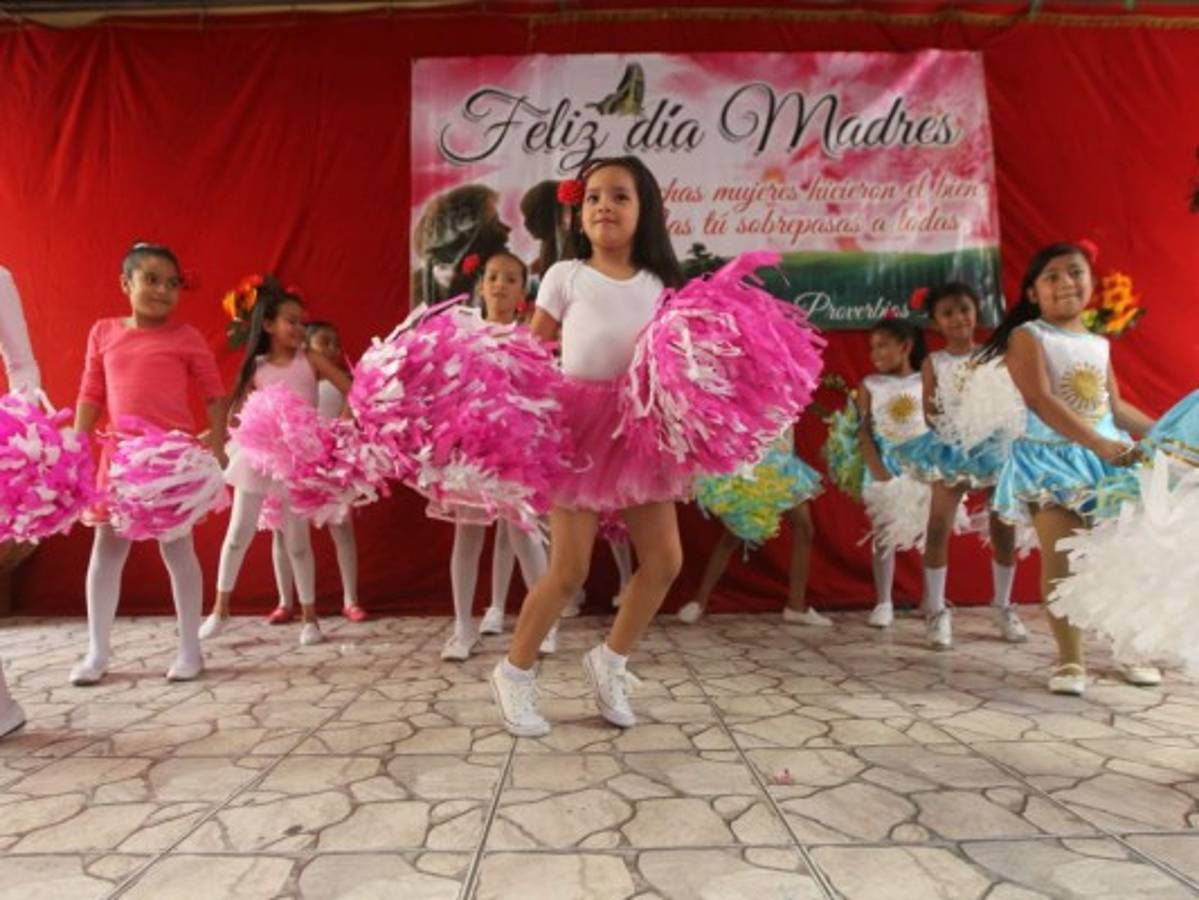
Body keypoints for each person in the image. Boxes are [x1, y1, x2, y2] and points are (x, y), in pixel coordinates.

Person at [490, 157, 688, 737]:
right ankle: (513, 672)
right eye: (594, 196)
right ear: (578, 213)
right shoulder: (565, 275)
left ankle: (610, 661)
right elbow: (532, 353)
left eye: (620, 196)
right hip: (576, 429)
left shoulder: (659, 284)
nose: (605, 206)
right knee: (569, 570)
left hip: (638, 428)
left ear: (644, 210)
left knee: (665, 561)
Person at [985, 242, 1159, 695]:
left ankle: (1130, 649)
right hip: (1050, 461)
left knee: (1123, 558)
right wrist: (1097, 442)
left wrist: (1164, 432)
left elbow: (1114, 408)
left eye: (1075, 272)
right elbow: (1041, 400)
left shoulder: (1098, 343)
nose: (1066, 282)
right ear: (1033, 293)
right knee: (1062, 557)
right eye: (1052, 276)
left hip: (1107, 462)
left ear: (1091, 282)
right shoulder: (1029, 336)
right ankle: (1070, 659)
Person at [70, 243, 227, 686]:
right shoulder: (103, 332)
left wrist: (217, 448)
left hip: (170, 462)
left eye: (172, 283)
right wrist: (77, 447)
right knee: (107, 549)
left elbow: (215, 395)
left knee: (177, 549)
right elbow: (90, 393)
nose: (162, 290)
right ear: (126, 283)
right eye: (151, 280)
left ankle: (190, 649)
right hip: (119, 460)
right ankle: (97, 651)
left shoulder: (186, 337)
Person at [203, 283, 350, 647]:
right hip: (257, 457)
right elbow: (235, 410)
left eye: (302, 322)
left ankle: (310, 619)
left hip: (298, 461)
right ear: (268, 325)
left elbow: (352, 387)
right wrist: (215, 436)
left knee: (298, 542)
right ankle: (220, 610)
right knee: (238, 532)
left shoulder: (310, 360)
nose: (299, 328)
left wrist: (339, 426)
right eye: (291, 321)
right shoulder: (256, 367)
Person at [894, 283, 1027, 649]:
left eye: (964, 310)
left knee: (1003, 524)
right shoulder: (933, 363)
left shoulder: (995, 355)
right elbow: (930, 412)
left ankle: (1003, 605)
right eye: (948, 313)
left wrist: (988, 427)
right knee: (938, 525)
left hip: (992, 447)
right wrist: (958, 430)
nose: (958, 319)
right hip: (952, 447)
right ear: (935, 322)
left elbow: (1009, 399)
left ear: (976, 313)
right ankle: (936, 610)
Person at [266, 320, 369, 625]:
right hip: (292, 466)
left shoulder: (343, 383)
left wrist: (345, 420)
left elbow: (352, 410)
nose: (332, 349)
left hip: (330, 465)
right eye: (325, 342)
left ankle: (350, 599)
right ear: (305, 347)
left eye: (336, 343)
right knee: (282, 534)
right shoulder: (293, 380)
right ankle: (285, 601)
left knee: (342, 529)